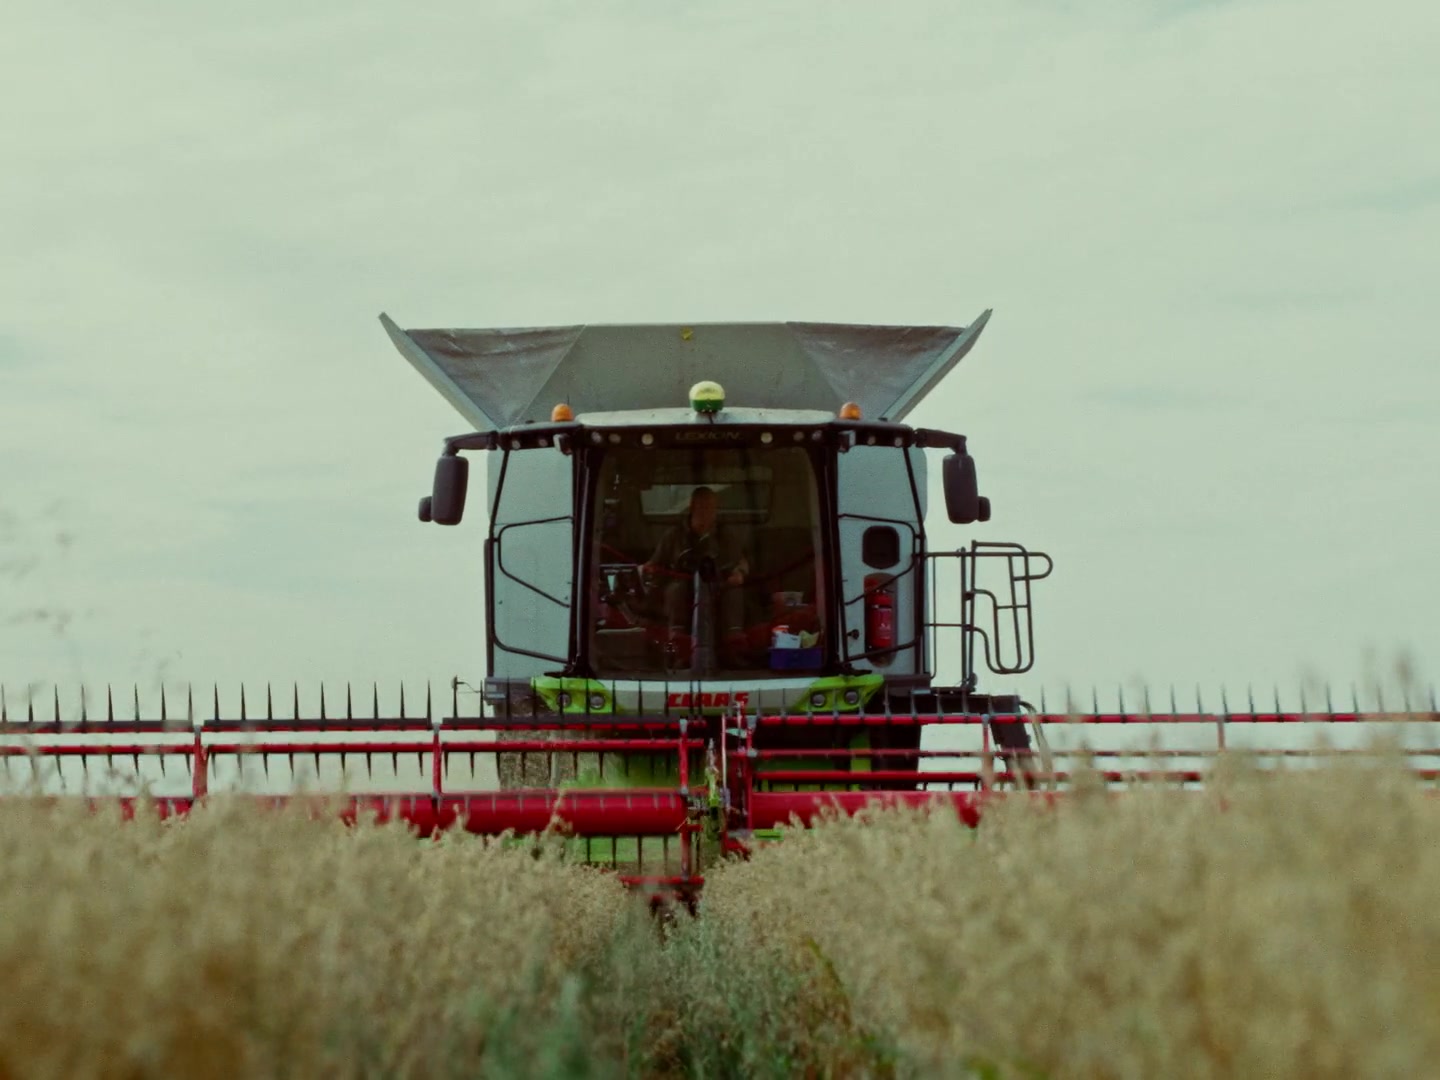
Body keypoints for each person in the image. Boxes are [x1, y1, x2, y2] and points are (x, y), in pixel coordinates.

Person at [641, 486, 750, 649]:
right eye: (702, 507)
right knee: (675, 590)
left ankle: (734, 641)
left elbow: (741, 561)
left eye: (711, 508)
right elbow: (655, 563)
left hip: (718, 586)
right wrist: (647, 570)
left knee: (734, 592)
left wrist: (739, 573)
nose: (707, 512)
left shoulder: (726, 535)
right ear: (692, 508)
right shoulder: (673, 535)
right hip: (682, 586)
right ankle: (678, 639)